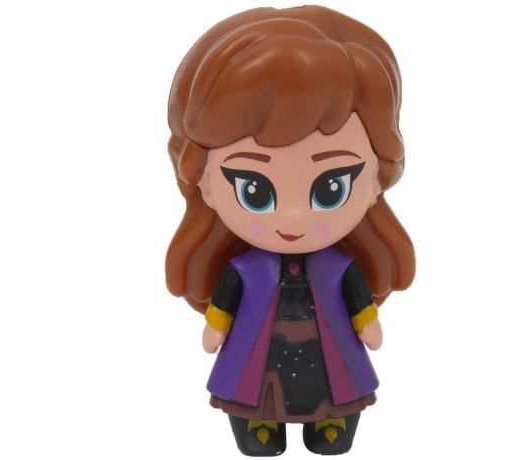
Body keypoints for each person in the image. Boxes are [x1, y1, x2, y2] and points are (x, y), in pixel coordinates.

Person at [164, 5, 415, 456]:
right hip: (260, 356)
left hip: (327, 352)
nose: (293, 218)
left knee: (338, 384)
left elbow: (359, 303)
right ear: (205, 183)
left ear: (377, 180)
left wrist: (369, 322)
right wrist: (215, 328)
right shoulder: (244, 268)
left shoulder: (339, 267)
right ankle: (262, 426)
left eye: (331, 187)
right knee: (254, 390)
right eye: (255, 190)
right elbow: (223, 306)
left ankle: (330, 423)